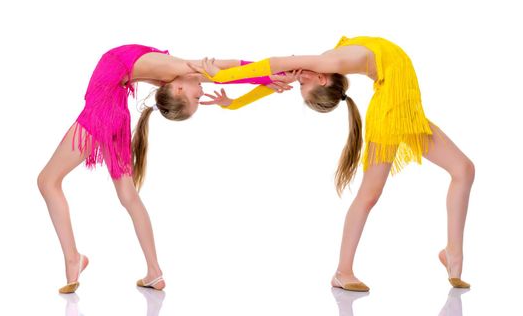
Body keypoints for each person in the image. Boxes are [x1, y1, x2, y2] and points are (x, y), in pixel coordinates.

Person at [191, 36, 475, 291]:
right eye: (302, 84)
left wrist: (231, 89)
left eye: (301, 84)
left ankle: (452, 251)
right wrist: (229, 84)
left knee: (463, 169)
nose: (298, 79)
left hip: (404, 108)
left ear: (322, 79)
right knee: (369, 195)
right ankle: (343, 271)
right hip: (392, 110)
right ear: (323, 80)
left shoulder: (328, 61)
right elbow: (276, 67)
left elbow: (275, 67)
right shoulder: (330, 62)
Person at [37, 44, 280, 293]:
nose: (202, 91)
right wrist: (268, 76)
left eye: (196, 97)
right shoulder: (172, 71)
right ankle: (154, 272)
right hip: (116, 112)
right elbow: (224, 68)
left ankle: (73, 259)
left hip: (102, 111)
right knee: (128, 196)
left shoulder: (174, 70)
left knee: (48, 181)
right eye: (198, 98)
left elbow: (224, 69)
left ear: (178, 89)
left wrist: (267, 76)